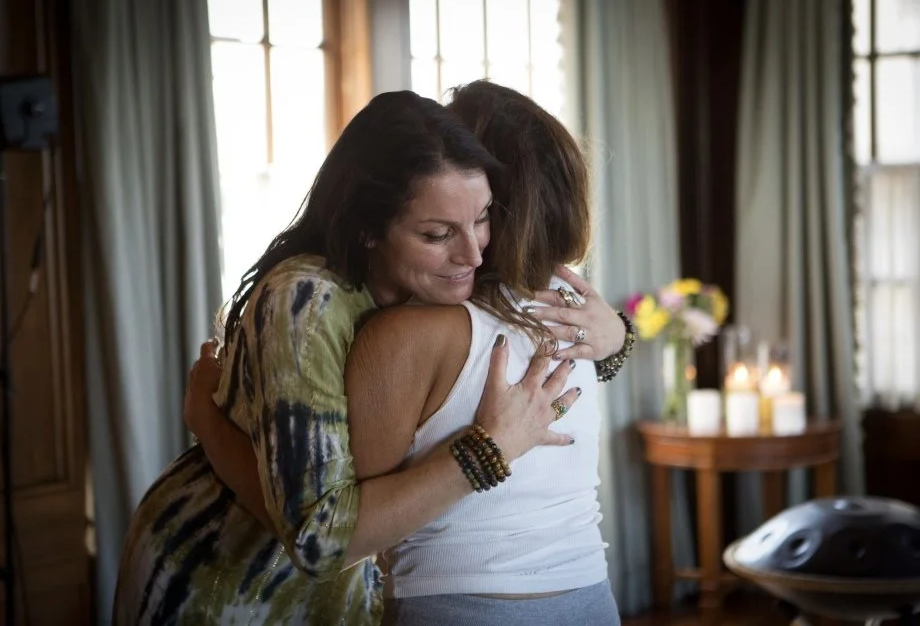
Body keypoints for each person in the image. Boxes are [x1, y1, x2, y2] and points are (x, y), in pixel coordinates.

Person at [113, 90, 623, 625]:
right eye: (436, 232)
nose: (471, 253)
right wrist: (209, 427)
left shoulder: (458, 294)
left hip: (334, 594)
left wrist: (617, 339)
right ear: (369, 227)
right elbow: (320, 537)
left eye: (482, 217)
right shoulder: (308, 301)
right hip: (225, 577)